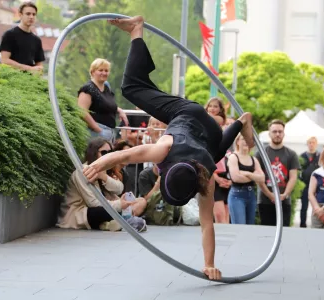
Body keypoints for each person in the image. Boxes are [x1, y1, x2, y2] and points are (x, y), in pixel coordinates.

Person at [83, 16, 255, 281]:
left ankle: (242, 122)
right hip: (190, 117)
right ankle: (136, 29)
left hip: (209, 137)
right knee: (132, 87)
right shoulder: (167, 151)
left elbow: (128, 154)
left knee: (216, 151)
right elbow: (127, 155)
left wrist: (210, 264)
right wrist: (98, 164)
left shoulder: (200, 173)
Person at [57, 138, 147, 232]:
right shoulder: (84, 170)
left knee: (141, 201)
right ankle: (124, 220)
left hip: (104, 206)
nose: (107, 155)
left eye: (110, 152)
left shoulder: (105, 168)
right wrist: (120, 204)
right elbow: (93, 203)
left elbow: (119, 189)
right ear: (94, 153)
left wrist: (103, 176)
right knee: (105, 211)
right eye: (104, 152)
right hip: (81, 214)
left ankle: (115, 223)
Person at [255, 119, 300, 227]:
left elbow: (293, 178)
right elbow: (258, 178)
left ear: (284, 133)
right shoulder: (260, 153)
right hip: (265, 200)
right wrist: (270, 195)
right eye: (274, 131)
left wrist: (284, 195)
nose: (277, 134)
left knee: (284, 232)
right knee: (266, 232)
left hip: (284, 201)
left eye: (280, 131)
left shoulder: (291, 154)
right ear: (269, 133)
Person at [77, 58, 129, 143]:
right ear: (93, 72)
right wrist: (98, 129)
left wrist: (119, 110)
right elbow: (82, 111)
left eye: (106, 70)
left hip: (109, 131)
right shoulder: (88, 88)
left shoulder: (106, 86)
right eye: (100, 70)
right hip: (95, 133)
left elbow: (106, 104)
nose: (104, 73)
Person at [227, 134, 265, 224]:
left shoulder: (253, 159)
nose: (246, 142)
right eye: (243, 139)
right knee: (239, 226)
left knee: (250, 226)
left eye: (248, 140)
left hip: (251, 195)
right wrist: (254, 176)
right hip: (237, 195)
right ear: (237, 142)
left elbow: (262, 178)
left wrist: (247, 173)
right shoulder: (233, 157)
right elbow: (236, 178)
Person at [0, 2, 45, 73]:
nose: (31, 17)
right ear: (20, 15)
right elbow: (4, 61)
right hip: (10, 78)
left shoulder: (37, 40)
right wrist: (29, 68)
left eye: (34, 14)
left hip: (29, 81)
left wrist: (38, 71)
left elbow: (39, 65)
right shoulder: (9, 35)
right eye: (28, 14)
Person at [299, 136, 320, 228]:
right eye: (310, 143)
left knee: (317, 205)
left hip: (317, 186)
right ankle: (302, 224)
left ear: (316, 144)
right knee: (304, 206)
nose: (311, 144)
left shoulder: (319, 156)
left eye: (313, 143)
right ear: (307, 144)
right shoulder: (302, 156)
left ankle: (317, 224)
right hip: (305, 185)